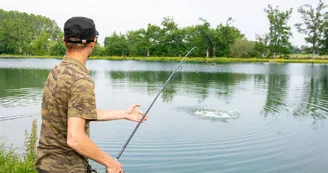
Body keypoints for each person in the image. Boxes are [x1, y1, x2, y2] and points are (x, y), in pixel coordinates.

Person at [33, 16, 148, 173]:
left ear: (64, 40)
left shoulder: (56, 71)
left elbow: (79, 113)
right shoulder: (81, 80)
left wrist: (123, 113)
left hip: (46, 164)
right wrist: (110, 163)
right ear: (93, 42)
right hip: (67, 168)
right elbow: (75, 138)